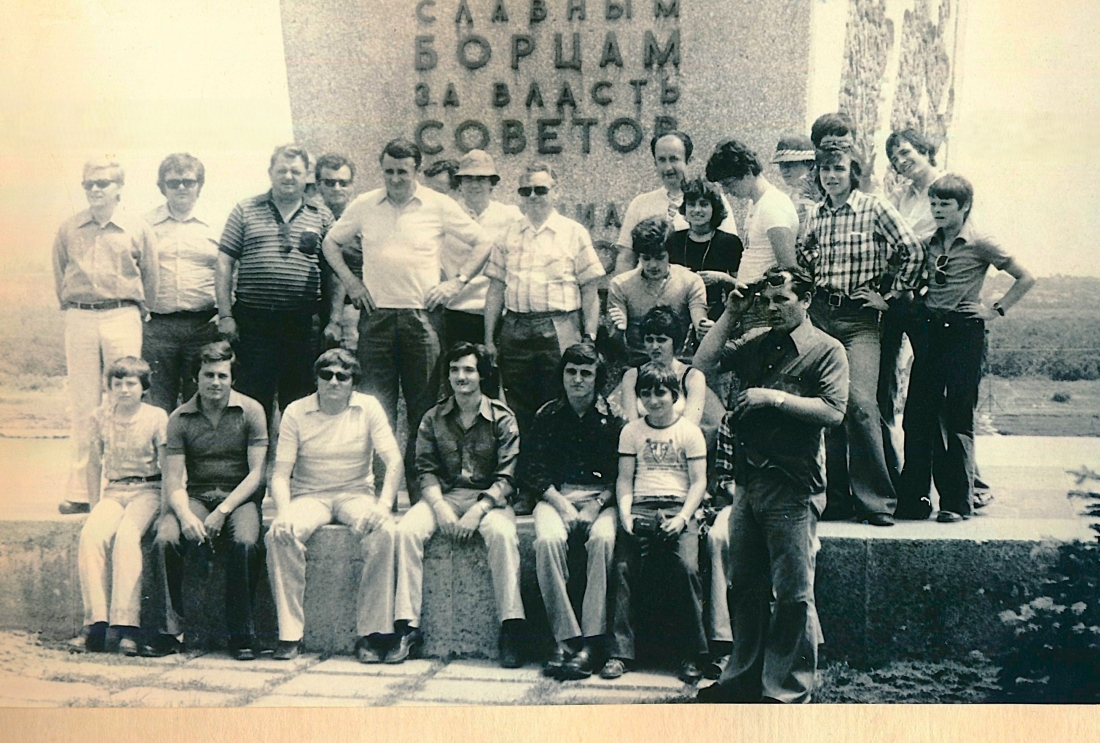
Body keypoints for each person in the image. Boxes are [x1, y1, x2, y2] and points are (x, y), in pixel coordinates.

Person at [695, 267, 849, 704]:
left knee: (793, 593)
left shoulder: (826, 350)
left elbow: (834, 412)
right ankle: (741, 679)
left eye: (783, 299)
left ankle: (784, 689)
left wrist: (773, 398)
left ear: (806, 299)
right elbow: (702, 364)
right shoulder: (757, 343)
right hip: (749, 483)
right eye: (768, 300)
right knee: (744, 585)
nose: (774, 308)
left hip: (793, 484)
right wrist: (731, 314)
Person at [322, 138, 492, 501]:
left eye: (403, 171)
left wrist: (455, 283)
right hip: (376, 317)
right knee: (377, 410)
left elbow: (482, 242)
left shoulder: (438, 204)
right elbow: (330, 243)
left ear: (416, 170)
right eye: (389, 171)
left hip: (422, 319)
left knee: (423, 411)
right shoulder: (365, 204)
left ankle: (421, 496)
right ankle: (381, 495)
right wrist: (352, 282)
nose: (395, 179)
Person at [796, 143, 924, 526]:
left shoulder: (874, 207)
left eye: (838, 168)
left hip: (860, 321)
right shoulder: (816, 215)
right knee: (829, 404)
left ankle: (878, 503)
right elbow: (805, 256)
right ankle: (838, 500)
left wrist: (891, 295)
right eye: (824, 170)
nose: (831, 176)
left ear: (853, 171)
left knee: (862, 405)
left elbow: (912, 250)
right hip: (822, 315)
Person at [898, 175, 1035, 523]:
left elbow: (1026, 277)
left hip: (963, 332)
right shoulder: (927, 241)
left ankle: (956, 503)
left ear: (964, 207)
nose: (938, 211)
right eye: (934, 204)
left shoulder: (980, 242)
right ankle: (914, 500)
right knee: (917, 416)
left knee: (958, 416)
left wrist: (995, 309)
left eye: (945, 205)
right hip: (930, 333)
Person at [265, 349, 404, 662]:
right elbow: (280, 474)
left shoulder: (369, 407)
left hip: (355, 493)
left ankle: (371, 634)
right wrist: (284, 513)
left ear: (353, 382)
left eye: (343, 376)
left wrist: (382, 506)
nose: (334, 382)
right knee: (278, 533)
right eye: (326, 375)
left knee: (384, 532)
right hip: (309, 496)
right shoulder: (296, 411)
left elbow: (394, 461)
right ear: (316, 379)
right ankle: (290, 635)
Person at [393, 343, 526, 667]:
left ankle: (511, 628)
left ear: (482, 375)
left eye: (468, 369)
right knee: (407, 531)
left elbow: (507, 476)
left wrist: (477, 511)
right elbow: (424, 470)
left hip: (488, 501)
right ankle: (406, 628)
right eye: (454, 370)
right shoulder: (433, 417)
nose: (460, 376)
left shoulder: (502, 419)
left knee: (504, 537)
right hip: (445, 497)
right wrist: (440, 509)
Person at [140, 341, 268, 659]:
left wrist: (224, 510)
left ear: (231, 378)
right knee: (165, 537)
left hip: (238, 497)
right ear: (197, 377)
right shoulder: (181, 418)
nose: (215, 382)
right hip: (195, 494)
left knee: (246, 542)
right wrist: (185, 516)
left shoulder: (251, 411)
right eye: (208, 374)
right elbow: (173, 478)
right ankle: (170, 632)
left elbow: (256, 475)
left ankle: (240, 633)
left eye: (222, 375)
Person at [53, 157, 159, 515]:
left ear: (118, 188)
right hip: (81, 316)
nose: (95, 190)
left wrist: (135, 310)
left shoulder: (137, 227)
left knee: (124, 396)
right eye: (89, 184)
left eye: (103, 183)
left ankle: (122, 484)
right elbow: (60, 276)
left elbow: (151, 279)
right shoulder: (69, 228)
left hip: (122, 314)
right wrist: (76, 308)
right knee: (83, 403)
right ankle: (81, 489)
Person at [602, 362, 710, 683]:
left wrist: (682, 518)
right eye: (645, 393)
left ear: (675, 395)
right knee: (623, 567)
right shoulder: (632, 432)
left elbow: (698, 483)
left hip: (678, 507)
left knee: (687, 567)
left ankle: (693, 654)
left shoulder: (689, 433)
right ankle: (620, 653)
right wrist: (626, 515)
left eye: (661, 392)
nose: (653, 400)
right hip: (642, 506)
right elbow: (624, 480)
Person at [523, 343, 623, 680]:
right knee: (548, 541)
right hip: (556, 497)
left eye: (585, 373)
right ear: (562, 375)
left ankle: (592, 642)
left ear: (597, 378)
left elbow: (620, 476)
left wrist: (596, 505)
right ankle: (565, 638)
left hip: (602, 499)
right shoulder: (547, 415)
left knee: (603, 541)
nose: (577, 380)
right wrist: (561, 503)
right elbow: (534, 472)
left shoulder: (614, 420)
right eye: (571, 372)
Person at [484, 162, 605, 434]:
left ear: (555, 192)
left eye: (540, 189)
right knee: (517, 404)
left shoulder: (573, 233)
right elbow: (495, 290)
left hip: (559, 326)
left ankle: (558, 471)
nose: (533, 197)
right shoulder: (508, 234)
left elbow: (589, 290)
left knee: (560, 399)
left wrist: (590, 336)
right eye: (526, 191)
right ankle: (527, 474)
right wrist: (489, 339)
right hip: (515, 327)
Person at [215, 144, 333, 419]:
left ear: (307, 176)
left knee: (300, 401)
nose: (288, 177)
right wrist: (225, 315)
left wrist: (334, 318)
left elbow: (332, 271)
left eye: (295, 171)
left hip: (302, 324)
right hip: (254, 322)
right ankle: (256, 462)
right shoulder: (245, 209)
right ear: (270, 172)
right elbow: (224, 263)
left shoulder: (322, 215)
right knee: (253, 399)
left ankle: (292, 462)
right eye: (282, 170)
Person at [68, 357, 168, 655]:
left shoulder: (156, 417)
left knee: (127, 537)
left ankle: (127, 627)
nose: (124, 390)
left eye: (131, 383)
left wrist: (166, 506)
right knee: (92, 535)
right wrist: (96, 506)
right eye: (117, 384)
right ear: (109, 387)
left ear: (144, 387)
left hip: (148, 488)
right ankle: (95, 625)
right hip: (114, 491)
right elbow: (93, 464)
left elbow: (168, 464)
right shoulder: (100, 417)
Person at [879, 129, 945, 503]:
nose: (902, 162)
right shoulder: (903, 195)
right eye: (895, 159)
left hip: (929, 299)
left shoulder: (947, 187)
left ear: (924, 150)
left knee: (930, 394)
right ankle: (895, 476)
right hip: (899, 295)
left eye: (906, 153)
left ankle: (959, 483)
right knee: (884, 387)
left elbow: (926, 239)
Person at [142, 153, 221, 414]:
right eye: (173, 182)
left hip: (204, 325)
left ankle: (195, 456)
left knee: (200, 401)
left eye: (188, 181)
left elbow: (233, 269)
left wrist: (226, 313)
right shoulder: (145, 224)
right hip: (158, 326)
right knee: (156, 401)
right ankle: (161, 455)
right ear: (162, 187)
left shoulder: (217, 223)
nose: (181, 188)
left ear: (200, 184)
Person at [613, 131, 739, 275]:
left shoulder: (713, 201)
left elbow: (730, 252)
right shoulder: (640, 203)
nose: (668, 168)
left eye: (674, 159)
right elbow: (626, 259)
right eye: (661, 160)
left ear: (689, 161)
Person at [440, 150, 523, 350]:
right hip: (456, 312)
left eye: (481, 179)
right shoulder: (446, 213)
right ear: (459, 183)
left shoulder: (510, 216)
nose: (475, 185)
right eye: (468, 179)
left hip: (496, 314)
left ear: (492, 183)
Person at [608, 217, 708, 364]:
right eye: (646, 258)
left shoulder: (690, 281)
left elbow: (700, 321)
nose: (653, 265)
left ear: (670, 254)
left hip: (679, 364)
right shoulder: (620, 285)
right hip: (637, 366)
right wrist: (618, 330)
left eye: (660, 258)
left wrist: (704, 330)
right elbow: (615, 347)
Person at [705, 139, 799, 289]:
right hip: (751, 301)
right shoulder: (756, 203)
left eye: (728, 183)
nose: (726, 191)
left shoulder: (773, 205)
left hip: (763, 304)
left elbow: (788, 270)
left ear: (748, 172)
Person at [663, 177, 744, 321]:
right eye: (691, 204)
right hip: (677, 313)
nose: (697, 210)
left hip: (716, 314)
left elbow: (741, 287)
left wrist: (722, 278)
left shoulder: (730, 242)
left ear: (714, 208)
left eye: (704, 204)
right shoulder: (673, 240)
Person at [616, 306, 709, 429]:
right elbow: (630, 427)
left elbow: (690, 427)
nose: (654, 346)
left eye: (661, 340)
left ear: (674, 342)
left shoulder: (693, 377)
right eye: (649, 340)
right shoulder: (632, 376)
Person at [314, 153, 362, 352]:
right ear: (318, 185)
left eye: (343, 183)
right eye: (330, 182)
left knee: (349, 369)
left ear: (352, 185)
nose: (337, 189)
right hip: (313, 311)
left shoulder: (363, 220)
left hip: (352, 311)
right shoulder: (309, 218)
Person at [770, 134, 819, 234]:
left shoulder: (808, 196)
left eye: (790, 164)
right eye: (781, 165)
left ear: (809, 163)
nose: (784, 170)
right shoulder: (790, 195)